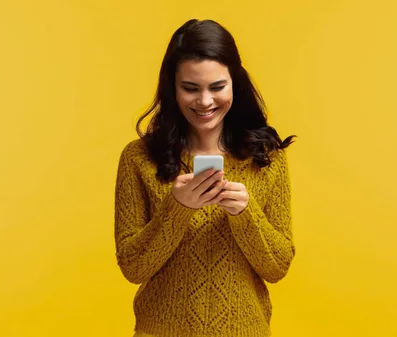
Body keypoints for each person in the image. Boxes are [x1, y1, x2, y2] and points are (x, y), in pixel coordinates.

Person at [114, 19, 296, 337]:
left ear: (235, 84)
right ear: (172, 88)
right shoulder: (138, 158)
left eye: (217, 87)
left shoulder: (265, 158)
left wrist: (245, 213)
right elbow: (133, 267)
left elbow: (277, 267)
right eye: (190, 88)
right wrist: (176, 208)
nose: (205, 101)